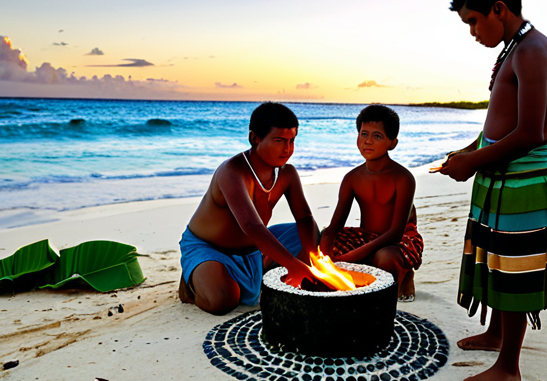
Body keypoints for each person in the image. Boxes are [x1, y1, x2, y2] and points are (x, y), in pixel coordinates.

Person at [437, 0, 547, 381]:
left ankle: (509, 365)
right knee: (495, 254)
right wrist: (470, 152)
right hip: (502, 177)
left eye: (473, 21)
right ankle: (495, 334)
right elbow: (498, 125)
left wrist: (474, 163)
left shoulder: (531, 51)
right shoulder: (514, 48)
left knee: (514, 267)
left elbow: (532, 132)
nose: (472, 31)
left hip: (524, 181)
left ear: (498, 8)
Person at [178, 102, 318, 315]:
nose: (287, 149)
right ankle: (192, 283)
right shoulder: (232, 171)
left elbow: (304, 217)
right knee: (223, 301)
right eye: (279, 141)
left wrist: (309, 257)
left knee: (313, 234)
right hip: (211, 247)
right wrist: (292, 264)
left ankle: (266, 264)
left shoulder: (287, 174)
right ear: (255, 138)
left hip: (254, 249)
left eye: (292, 141)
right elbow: (251, 225)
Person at [319, 104, 423, 301]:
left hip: (399, 240)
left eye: (377, 136)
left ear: (392, 143)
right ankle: (364, 267)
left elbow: (395, 232)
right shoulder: (352, 177)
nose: (368, 141)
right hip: (365, 238)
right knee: (323, 239)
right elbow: (335, 225)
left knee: (383, 258)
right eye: (364, 134)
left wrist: (348, 258)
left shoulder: (403, 178)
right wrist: (326, 251)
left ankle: (405, 272)